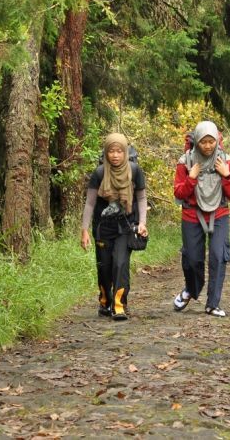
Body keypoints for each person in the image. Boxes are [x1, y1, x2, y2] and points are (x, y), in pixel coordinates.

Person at [172, 121, 230, 317]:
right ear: (196, 142)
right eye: (203, 142)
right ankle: (191, 290)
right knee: (193, 259)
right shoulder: (185, 161)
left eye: (211, 141)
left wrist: (226, 175)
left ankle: (213, 304)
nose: (208, 146)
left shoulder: (225, 160)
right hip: (192, 213)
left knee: (219, 257)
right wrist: (191, 177)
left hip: (219, 213)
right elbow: (178, 192)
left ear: (217, 141)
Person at [80, 133, 148, 321]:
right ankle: (105, 300)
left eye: (119, 151)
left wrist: (142, 223)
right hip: (103, 227)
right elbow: (90, 204)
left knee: (120, 264)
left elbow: (141, 198)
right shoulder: (100, 173)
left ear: (125, 152)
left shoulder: (135, 171)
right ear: (106, 153)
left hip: (125, 226)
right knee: (105, 268)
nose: (115, 155)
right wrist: (84, 230)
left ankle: (119, 305)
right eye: (111, 151)